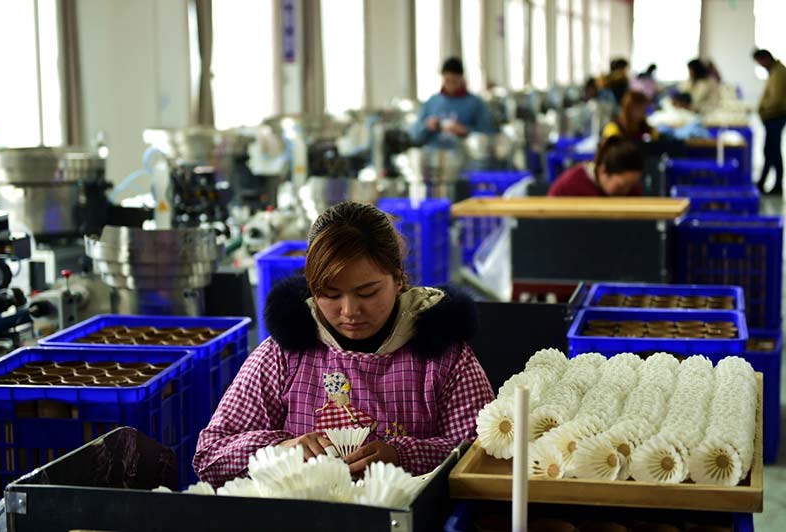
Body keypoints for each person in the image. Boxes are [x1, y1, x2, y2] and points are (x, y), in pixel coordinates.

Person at [193, 202, 495, 487]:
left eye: (367, 293)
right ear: (311, 287)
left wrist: (403, 457)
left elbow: (485, 454)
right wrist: (281, 449)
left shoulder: (442, 354)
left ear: (399, 280)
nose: (350, 311)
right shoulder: (285, 353)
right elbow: (210, 456)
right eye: (331, 294)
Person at [410, 57, 495, 149]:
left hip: (465, 155)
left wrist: (465, 130)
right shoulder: (432, 102)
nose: (450, 85)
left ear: (461, 79)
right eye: (447, 81)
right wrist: (426, 126)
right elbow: (415, 135)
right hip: (435, 155)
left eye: (454, 81)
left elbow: (488, 134)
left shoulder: (475, 103)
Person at [548, 136, 644, 197]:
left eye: (631, 185)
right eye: (621, 186)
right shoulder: (567, 188)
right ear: (602, 171)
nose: (627, 192)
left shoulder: (633, 190)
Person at [752, 49, 786, 195]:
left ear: (765, 58)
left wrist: (763, 109)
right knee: (769, 150)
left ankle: (777, 185)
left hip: (775, 117)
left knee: (774, 151)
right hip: (771, 117)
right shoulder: (773, 71)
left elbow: (776, 99)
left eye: (759, 62)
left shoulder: (779, 73)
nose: (760, 65)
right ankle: (762, 181)